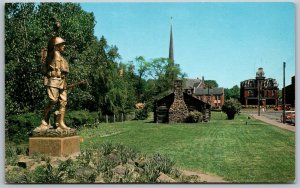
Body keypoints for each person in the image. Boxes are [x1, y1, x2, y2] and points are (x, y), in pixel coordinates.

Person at [36, 36, 71, 131]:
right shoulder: (50, 57)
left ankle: (60, 123)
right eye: (61, 45)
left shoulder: (62, 59)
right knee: (53, 100)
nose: (64, 46)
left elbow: (65, 71)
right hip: (53, 81)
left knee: (63, 102)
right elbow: (46, 64)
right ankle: (45, 121)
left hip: (62, 82)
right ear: (56, 47)